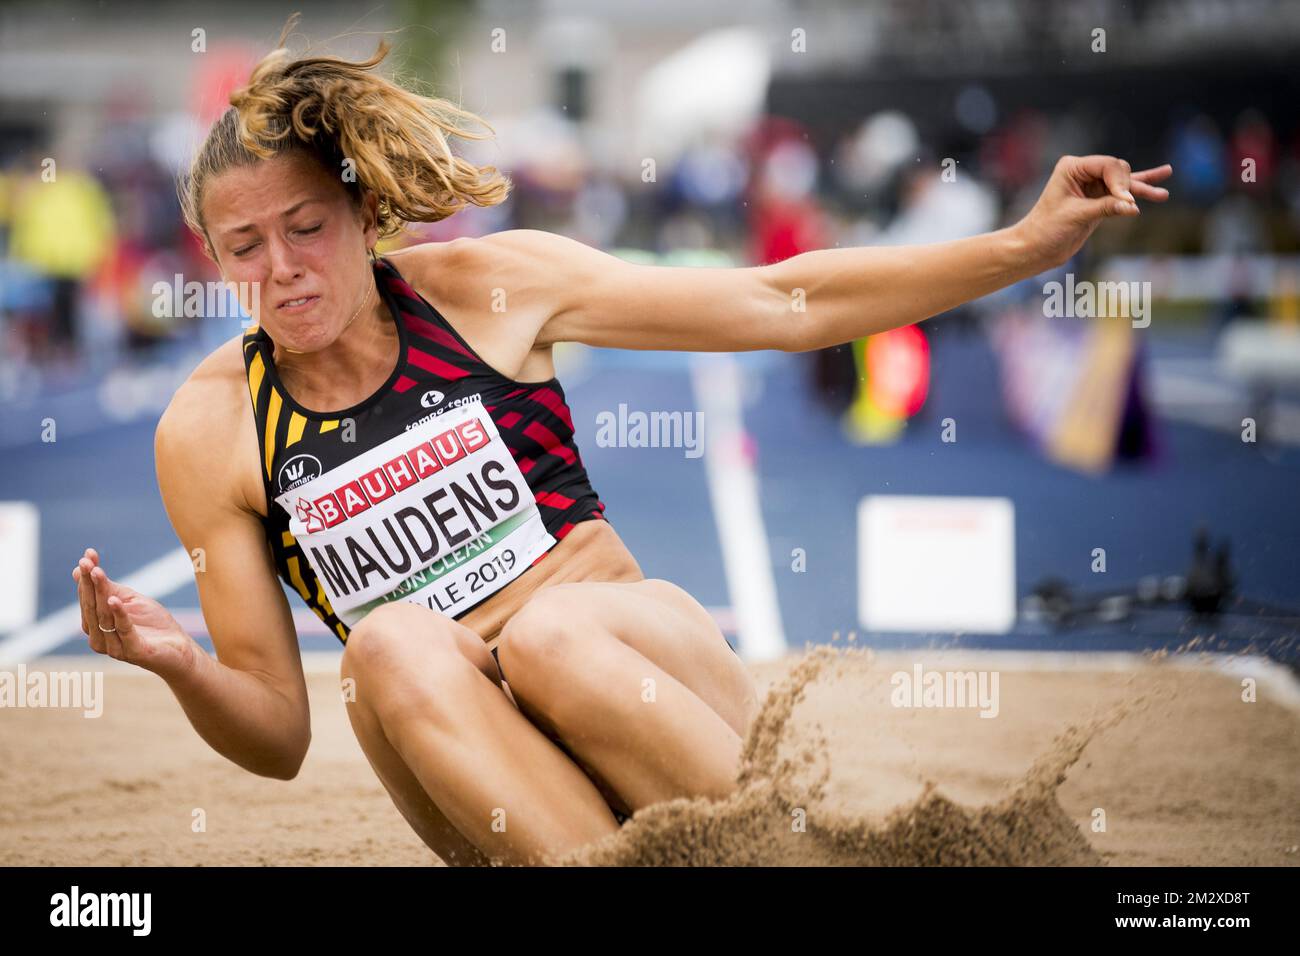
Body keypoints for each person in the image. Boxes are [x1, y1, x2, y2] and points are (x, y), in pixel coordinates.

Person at [70, 22, 1172, 866]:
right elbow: (277, 733)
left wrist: (1023, 247)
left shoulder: (491, 291)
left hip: (652, 704)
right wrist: (178, 663)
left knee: (548, 636)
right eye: (243, 247)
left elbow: (779, 299)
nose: (282, 270)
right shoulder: (212, 429)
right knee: (385, 648)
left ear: (365, 215)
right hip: (495, 785)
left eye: (305, 227)